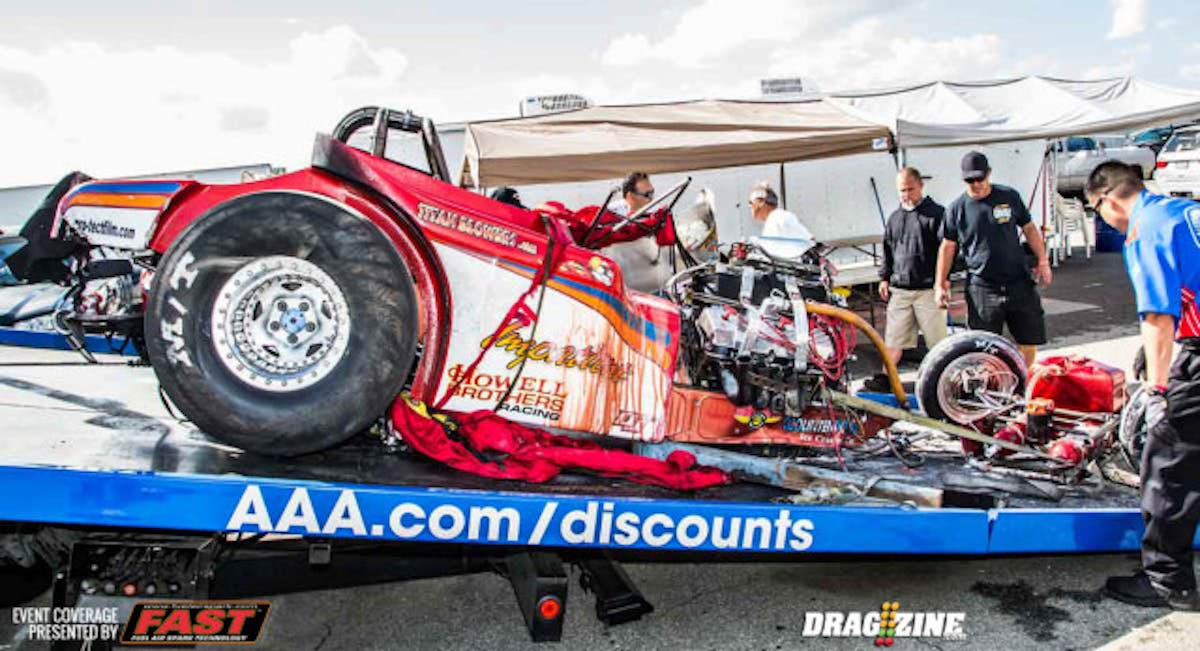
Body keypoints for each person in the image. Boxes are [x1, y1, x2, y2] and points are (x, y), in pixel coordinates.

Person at [1086, 161, 1200, 611]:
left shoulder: (1143, 229)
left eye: (1098, 211)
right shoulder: (1182, 211)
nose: (1104, 220)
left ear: (1108, 199)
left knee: (1168, 465)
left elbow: (1157, 314)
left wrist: (1157, 390)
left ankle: (1169, 584)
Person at [934, 151, 1051, 368]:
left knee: (1028, 339)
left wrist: (1042, 261)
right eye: (970, 180)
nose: (976, 184)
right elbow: (947, 247)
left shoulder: (1009, 197)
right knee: (984, 344)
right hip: (982, 286)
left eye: (980, 178)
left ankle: (1022, 380)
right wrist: (940, 284)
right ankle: (993, 386)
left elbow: (1029, 228)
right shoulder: (956, 209)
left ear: (989, 174)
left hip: (1018, 281)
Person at [864, 168, 947, 393]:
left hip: (929, 289)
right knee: (893, 340)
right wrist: (884, 277)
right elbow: (888, 250)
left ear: (921, 186)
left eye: (910, 189)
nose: (906, 195)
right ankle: (886, 378)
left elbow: (948, 250)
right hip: (900, 289)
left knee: (938, 342)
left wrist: (943, 280)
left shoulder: (937, 214)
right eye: (902, 190)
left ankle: (944, 380)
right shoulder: (895, 218)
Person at [540, 171, 676, 249]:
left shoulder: (643, 214)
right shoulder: (614, 214)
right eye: (647, 195)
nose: (652, 198)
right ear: (629, 196)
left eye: (652, 192)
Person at [748, 181, 813, 260]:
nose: (749, 206)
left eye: (751, 202)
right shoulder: (776, 218)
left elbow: (771, 252)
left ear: (761, 201)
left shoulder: (777, 217)